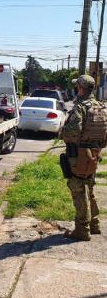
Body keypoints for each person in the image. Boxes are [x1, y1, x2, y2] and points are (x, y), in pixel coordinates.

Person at [61, 74, 107, 241]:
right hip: (94, 154)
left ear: (81, 88)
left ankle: (82, 230)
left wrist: (63, 133)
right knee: (90, 188)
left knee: (78, 189)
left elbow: (72, 130)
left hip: (79, 154)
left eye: (77, 87)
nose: (76, 89)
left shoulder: (80, 107)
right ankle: (94, 225)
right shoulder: (101, 107)